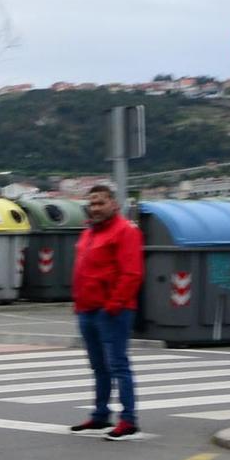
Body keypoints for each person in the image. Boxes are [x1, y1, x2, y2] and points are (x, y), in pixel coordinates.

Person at [71, 183, 145, 441]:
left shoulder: (125, 231)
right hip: (87, 309)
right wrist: (79, 303)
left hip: (112, 310)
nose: (96, 208)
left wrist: (114, 304)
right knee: (98, 367)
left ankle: (128, 419)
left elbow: (132, 273)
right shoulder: (89, 232)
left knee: (118, 365)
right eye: (92, 203)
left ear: (114, 204)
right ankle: (100, 415)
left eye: (101, 202)